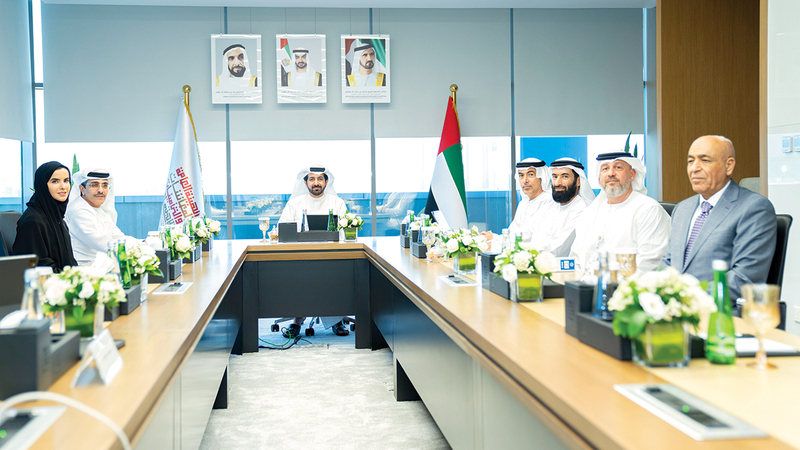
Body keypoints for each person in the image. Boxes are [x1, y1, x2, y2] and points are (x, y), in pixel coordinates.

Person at [661, 135, 777, 300]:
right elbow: (668, 263)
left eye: (705, 160)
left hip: (722, 310)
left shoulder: (754, 208)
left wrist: (684, 296)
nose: (694, 168)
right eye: (690, 161)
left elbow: (744, 279)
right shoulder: (682, 208)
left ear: (728, 165)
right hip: (675, 308)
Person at [570, 152, 670, 275]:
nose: (611, 173)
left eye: (618, 167)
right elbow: (576, 258)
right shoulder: (589, 213)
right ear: (599, 178)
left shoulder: (648, 210)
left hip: (628, 285)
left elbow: (648, 264)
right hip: (586, 284)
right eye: (605, 168)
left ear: (632, 175)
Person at [278, 166, 350, 338]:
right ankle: (297, 320)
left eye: (320, 179)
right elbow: (283, 229)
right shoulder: (294, 203)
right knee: (297, 277)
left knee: (336, 274)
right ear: (305, 183)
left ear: (326, 181)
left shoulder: (337, 203)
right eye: (311, 179)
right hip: (300, 257)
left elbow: (345, 232)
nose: (316, 183)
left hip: (332, 257)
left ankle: (336, 319)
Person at [13, 161, 78, 272]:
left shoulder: (57, 219)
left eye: (66, 180)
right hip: (46, 281)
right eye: (55, 181)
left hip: (62, 279)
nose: (63, 186)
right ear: (43, 185)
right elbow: (40, 268)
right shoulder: (32, 221)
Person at [483, 158, 555, 250]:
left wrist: (495, 245)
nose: (525, 180)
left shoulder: (550, 202)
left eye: (531, 175)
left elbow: (536, 243)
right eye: (521, 175)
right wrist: (493, 238)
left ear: (542, 177)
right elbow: (513, 235)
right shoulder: (524, 203)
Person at [529, 158, 595, 256]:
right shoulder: (549, 206)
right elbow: (535, 238)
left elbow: (559, 249)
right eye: (555, 177)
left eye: (565, 177)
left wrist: (529, 256)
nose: (558, 183)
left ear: (578, 181)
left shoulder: (582, 209)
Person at [64, 168, 127, 265]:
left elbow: (118, 236)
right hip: (84, 267)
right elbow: (104, 244)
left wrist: (142, 243)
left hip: (101, 265)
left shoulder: (98, 209)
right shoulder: (79, 211)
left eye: (105, 185)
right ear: (82, 189)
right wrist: (138, 249)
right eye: (94, 185)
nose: (101, 190)